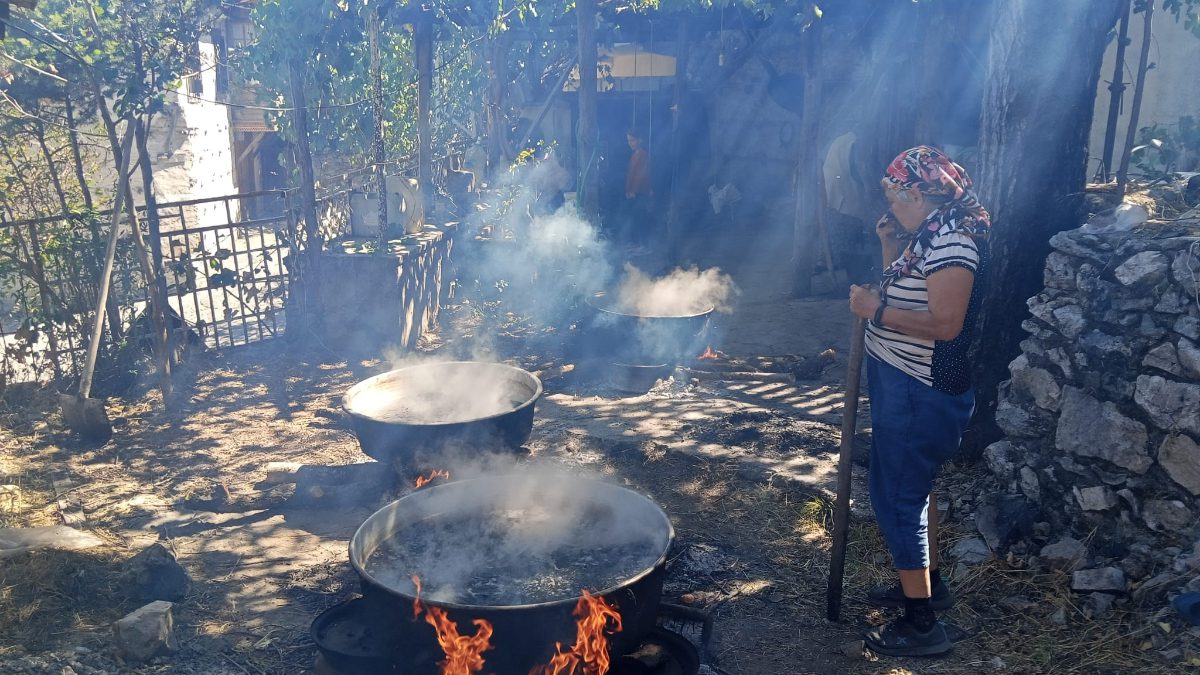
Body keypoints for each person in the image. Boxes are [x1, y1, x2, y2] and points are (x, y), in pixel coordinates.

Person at [847, 145, 990, 657]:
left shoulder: (954, 242)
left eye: (893, 195)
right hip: (902, 382)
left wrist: (874, 311)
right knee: (911, 489)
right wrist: (889, 247)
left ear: (917, 192)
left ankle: (922, 624)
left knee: (897, 498)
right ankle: (927, 584)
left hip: (920, 389)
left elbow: (945, 326)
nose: (889, 206)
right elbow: (907, 290)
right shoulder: (926, 236)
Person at [622, 129, 654, 248]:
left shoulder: (642, 154)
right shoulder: (635, 154)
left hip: (640, 192)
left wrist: (633, 191)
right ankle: (637, 244)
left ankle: (644, 245)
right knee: (636, 218)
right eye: (628, 140)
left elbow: (641, 175)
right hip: (634, 192)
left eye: (632, 140)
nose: (630, 143)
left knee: (641, 219)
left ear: (639, 140)